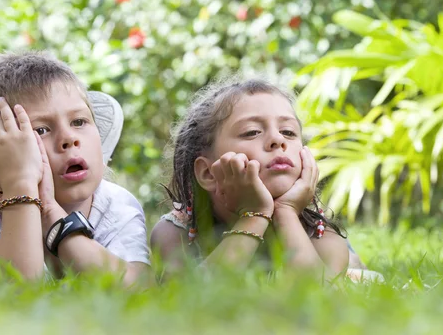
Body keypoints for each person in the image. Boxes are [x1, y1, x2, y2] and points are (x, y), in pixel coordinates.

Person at [0, 51, 150, 286]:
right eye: (40, 130)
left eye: (79, 122)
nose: (69, 138)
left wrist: (53, 217)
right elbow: (14, 301)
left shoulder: (116, 204)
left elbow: (139, 290)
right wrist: (21, 189)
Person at [151, 77, 378, 282]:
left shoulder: (319, 235)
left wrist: (286, 211)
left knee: (356, 276)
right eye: (252, 132)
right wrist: (255, 215)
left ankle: (354, 268)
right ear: (208, 173)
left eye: (288, 132)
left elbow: (314, 296)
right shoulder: (176, 232)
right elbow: (188, 300)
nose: (277, 140)